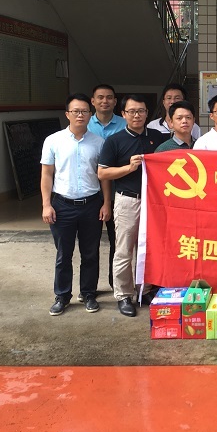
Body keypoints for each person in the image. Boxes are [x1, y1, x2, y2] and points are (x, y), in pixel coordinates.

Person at [41, 93, 111, 316]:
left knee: (90, 253)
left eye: (84, 111)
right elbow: (46, 174)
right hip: (62, 205)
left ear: (90, 114)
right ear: (67, 114)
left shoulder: (99, 143)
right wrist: (46, 205)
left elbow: (104, 177)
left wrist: (106, 203)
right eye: (76, 111)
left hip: (92, 204)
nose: (80, 115)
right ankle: (62, 296)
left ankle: (88, 294)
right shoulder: (53, 141)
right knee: (64, 254)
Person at [98, 94, 165, 317]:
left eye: (141, 111)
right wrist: (128, 168)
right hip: (128, 200)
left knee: (149, 248)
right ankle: (124, 295)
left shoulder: (157, 137)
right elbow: (103, 173)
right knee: (124, 249)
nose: (137, 115)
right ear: (123, 114)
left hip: (153, 201)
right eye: (132, 111)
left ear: (147, 113)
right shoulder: (114, 140)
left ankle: (145, 289)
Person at [87, 84, 126, 291]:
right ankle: (89, 288)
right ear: (92, 101)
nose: (105, 101)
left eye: (109, 97)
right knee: (90, 244)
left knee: (116, 241)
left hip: (118, 192)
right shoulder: (84, 124)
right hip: (91, 193)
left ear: (115, 101)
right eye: (100, 97)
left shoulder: (125, 124)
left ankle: (114, 283)